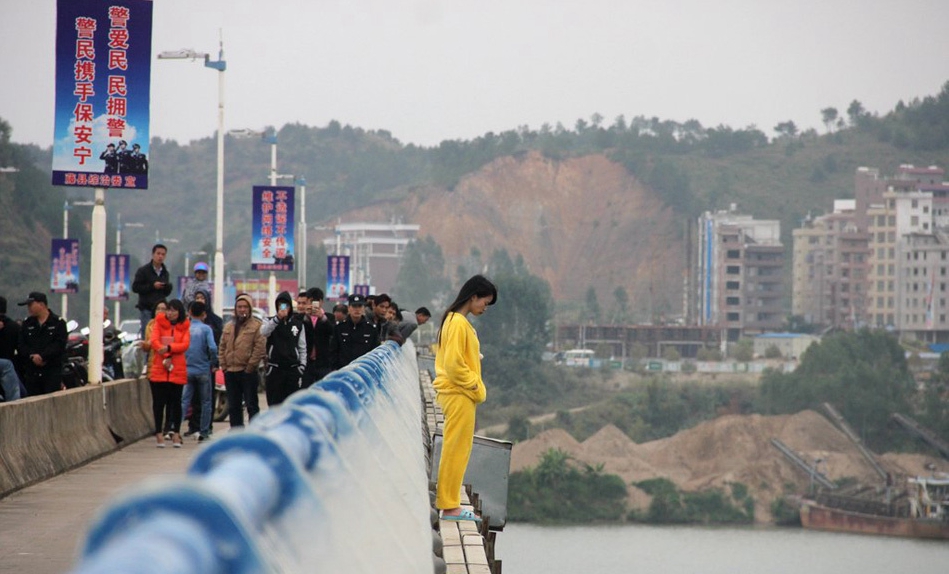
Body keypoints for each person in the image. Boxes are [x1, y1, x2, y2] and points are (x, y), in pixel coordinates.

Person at [433, 275, 497, 522]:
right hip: (459, 394)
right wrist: (475, 384)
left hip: (453, 393)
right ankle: (450, 506)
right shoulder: (459, 323)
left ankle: (449, 502)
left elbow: (454, 356)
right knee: (457, 450)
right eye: (484, 302)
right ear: (473, 297)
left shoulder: (451, 319)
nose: (484, 308)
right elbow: (453, 365)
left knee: (455, 447)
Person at [218, 293, 266, 428]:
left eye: (245, 307)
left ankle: (254, 432)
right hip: (230, 371)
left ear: (250, 309)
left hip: (247, 372)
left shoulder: (257, 326)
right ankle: (236, 432)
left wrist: (250, 366)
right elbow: (222, 347)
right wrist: (224, 365)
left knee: (251, 405)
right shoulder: (228, 326)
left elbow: (259, 348)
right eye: (239, 307)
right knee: (234, 406)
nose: (242, 309)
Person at [149, 299, 190, 448]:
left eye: (174, 310)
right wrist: (166, 354)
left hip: (177, 369)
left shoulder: (185, 326)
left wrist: (168, 348)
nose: (170, 313)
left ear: (180, 312)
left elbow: (185, 344)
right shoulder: (159, 323)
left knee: (176, 403)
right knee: (159, 403)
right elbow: (154, 341)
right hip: (160, 369)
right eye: (169, 310)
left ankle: (176, 433)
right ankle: (159, 433)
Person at [184, 290, 222, 437]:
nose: (200, 300)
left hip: (192, 368)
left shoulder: (187, 327)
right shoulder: (206, 328)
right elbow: (213, 347)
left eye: (202, 298)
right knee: (202, 401)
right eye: (197, 298)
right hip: (204, 368)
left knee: (186, 400)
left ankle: (175, 430)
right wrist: (214, 362)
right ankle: (201, 430)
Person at [260, 291, 307, 406]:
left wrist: (301, 367)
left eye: (286, 304)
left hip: (292, 370)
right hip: (275, 369)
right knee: (274, 404)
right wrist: (277, 319)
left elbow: (302, 348)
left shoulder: (298, 324)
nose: (283, 307)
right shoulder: (269, 321)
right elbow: (264, 332)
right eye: (280, 304)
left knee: (291, 405)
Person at [17, 292, 68, 396]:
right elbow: (21, 345)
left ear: (41, 304)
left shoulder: (58, 323)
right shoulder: (27, 324)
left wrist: (43, 356)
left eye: (31, 305)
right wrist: (32, 356)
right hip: (32, 373)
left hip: (52, 372)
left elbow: (59, 344)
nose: (29, 308)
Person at [132, 244, 172, 340]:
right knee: (147, 335)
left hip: (161, 310)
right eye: (158, 253)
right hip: (147, 309)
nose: (160, 256)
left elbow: (165, 293)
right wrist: (152, 286)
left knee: (161, 336)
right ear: (153, 254)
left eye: (163, 254)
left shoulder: (165, 272)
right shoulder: (143, 271)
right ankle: (147, 355)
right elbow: (135, 287)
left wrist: (167, 287)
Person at [329, 293, 379, 369]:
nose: (357, 309)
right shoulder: (339, 328)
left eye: (360, 306)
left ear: (363, 308)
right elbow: (334, 351)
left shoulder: (371, 329)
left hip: (363, 371)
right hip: (343, 370)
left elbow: (374, 352)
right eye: (354, 306)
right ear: (349, 308)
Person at [303, 287, 335, 387]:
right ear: (307, 301)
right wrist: (306, 317)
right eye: (311, 301)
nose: (313, 304)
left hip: (323, 362)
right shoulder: (300, 317)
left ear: (321, 302)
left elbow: (332, 332)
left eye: (316, 301)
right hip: (306, 363)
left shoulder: (329, 317)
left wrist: (322, 318)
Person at [139, 300, 167, 379]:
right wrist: (144, 345)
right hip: (153, 364)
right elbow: (148, 346)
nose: (160, 311)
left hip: (166, 363)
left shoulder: (170, 325)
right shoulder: (150, 324)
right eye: (158, 309)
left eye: (163, 309)